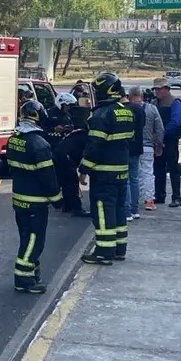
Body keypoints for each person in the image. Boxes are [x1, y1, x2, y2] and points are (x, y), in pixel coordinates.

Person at [5, 100, 62, 294]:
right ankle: (24, 279)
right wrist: (57, 198)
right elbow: (48, 176)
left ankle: (30, 272)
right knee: (33, 241)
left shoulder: (14, 138)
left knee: (25, 237)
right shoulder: (39, 144)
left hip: (19, 199)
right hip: (35, 202)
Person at [79, 71, 135, 264]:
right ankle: (119, 249)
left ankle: (104, 252)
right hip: (121, 171)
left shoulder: (100, 115)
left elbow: (95, 146)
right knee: (119, 211)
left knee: (103, 212)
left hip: (103, 174)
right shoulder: (126, 111)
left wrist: (84, 169)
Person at [126, 85, 164, 214]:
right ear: (142, 96)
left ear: (129, 97)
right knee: (148, 173)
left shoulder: (127, 110)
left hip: (130, 147)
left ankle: (131, 202)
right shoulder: (152, 109)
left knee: (132, 177)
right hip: (148, 146)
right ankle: (149, 200)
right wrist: (159, 144)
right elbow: (159, 129)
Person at [52, 92, 90, 216]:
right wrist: (83, 173)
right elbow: (86, 156)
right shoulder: (84, 136)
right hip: (64, 156)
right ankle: (76, 208)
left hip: (61, 153)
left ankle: (67, 205)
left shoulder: (75, 129)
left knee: (65, 181)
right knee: (71, 182)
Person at [151, 78, 181, 208]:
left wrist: (161, 133)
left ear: (167, 89)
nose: (157, 91)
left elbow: (176, 121)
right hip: (158, 140)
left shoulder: (175, 102)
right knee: (158, 168)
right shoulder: (154, 103)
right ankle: (159, 195)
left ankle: (176, 197)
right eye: (156, 89)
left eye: (160, 89)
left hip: (170, 140)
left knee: (173, 168)